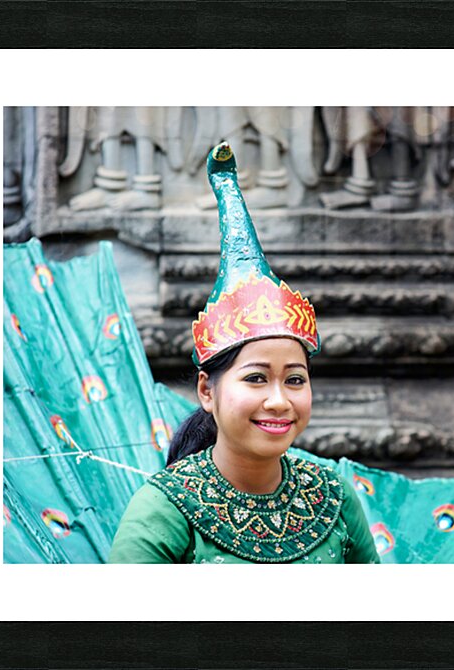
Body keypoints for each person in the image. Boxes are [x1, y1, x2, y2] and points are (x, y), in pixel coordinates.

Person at [109, 142, 380, 564]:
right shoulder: (163, 510)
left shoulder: (334, 497)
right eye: (256, 378)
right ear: (207, 391)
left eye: (295, 379)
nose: (279, 400)